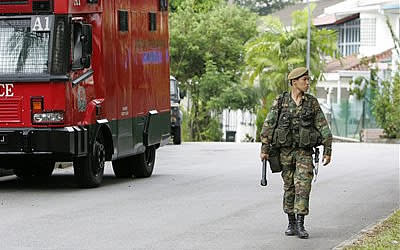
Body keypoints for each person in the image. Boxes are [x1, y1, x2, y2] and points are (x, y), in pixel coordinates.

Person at [260, 67, 332, 239]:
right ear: (294, 82)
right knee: (289, 187)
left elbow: (323, 126)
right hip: (285, 152)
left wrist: (327, 149)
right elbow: (269, 124)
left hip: (304, 153)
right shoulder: (281, 101)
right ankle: (291, 222)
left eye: (308, 80)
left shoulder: (311, 102)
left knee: (303, 186)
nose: (307, 83)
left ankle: (300, 224)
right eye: (304, 80)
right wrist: (264, 149)